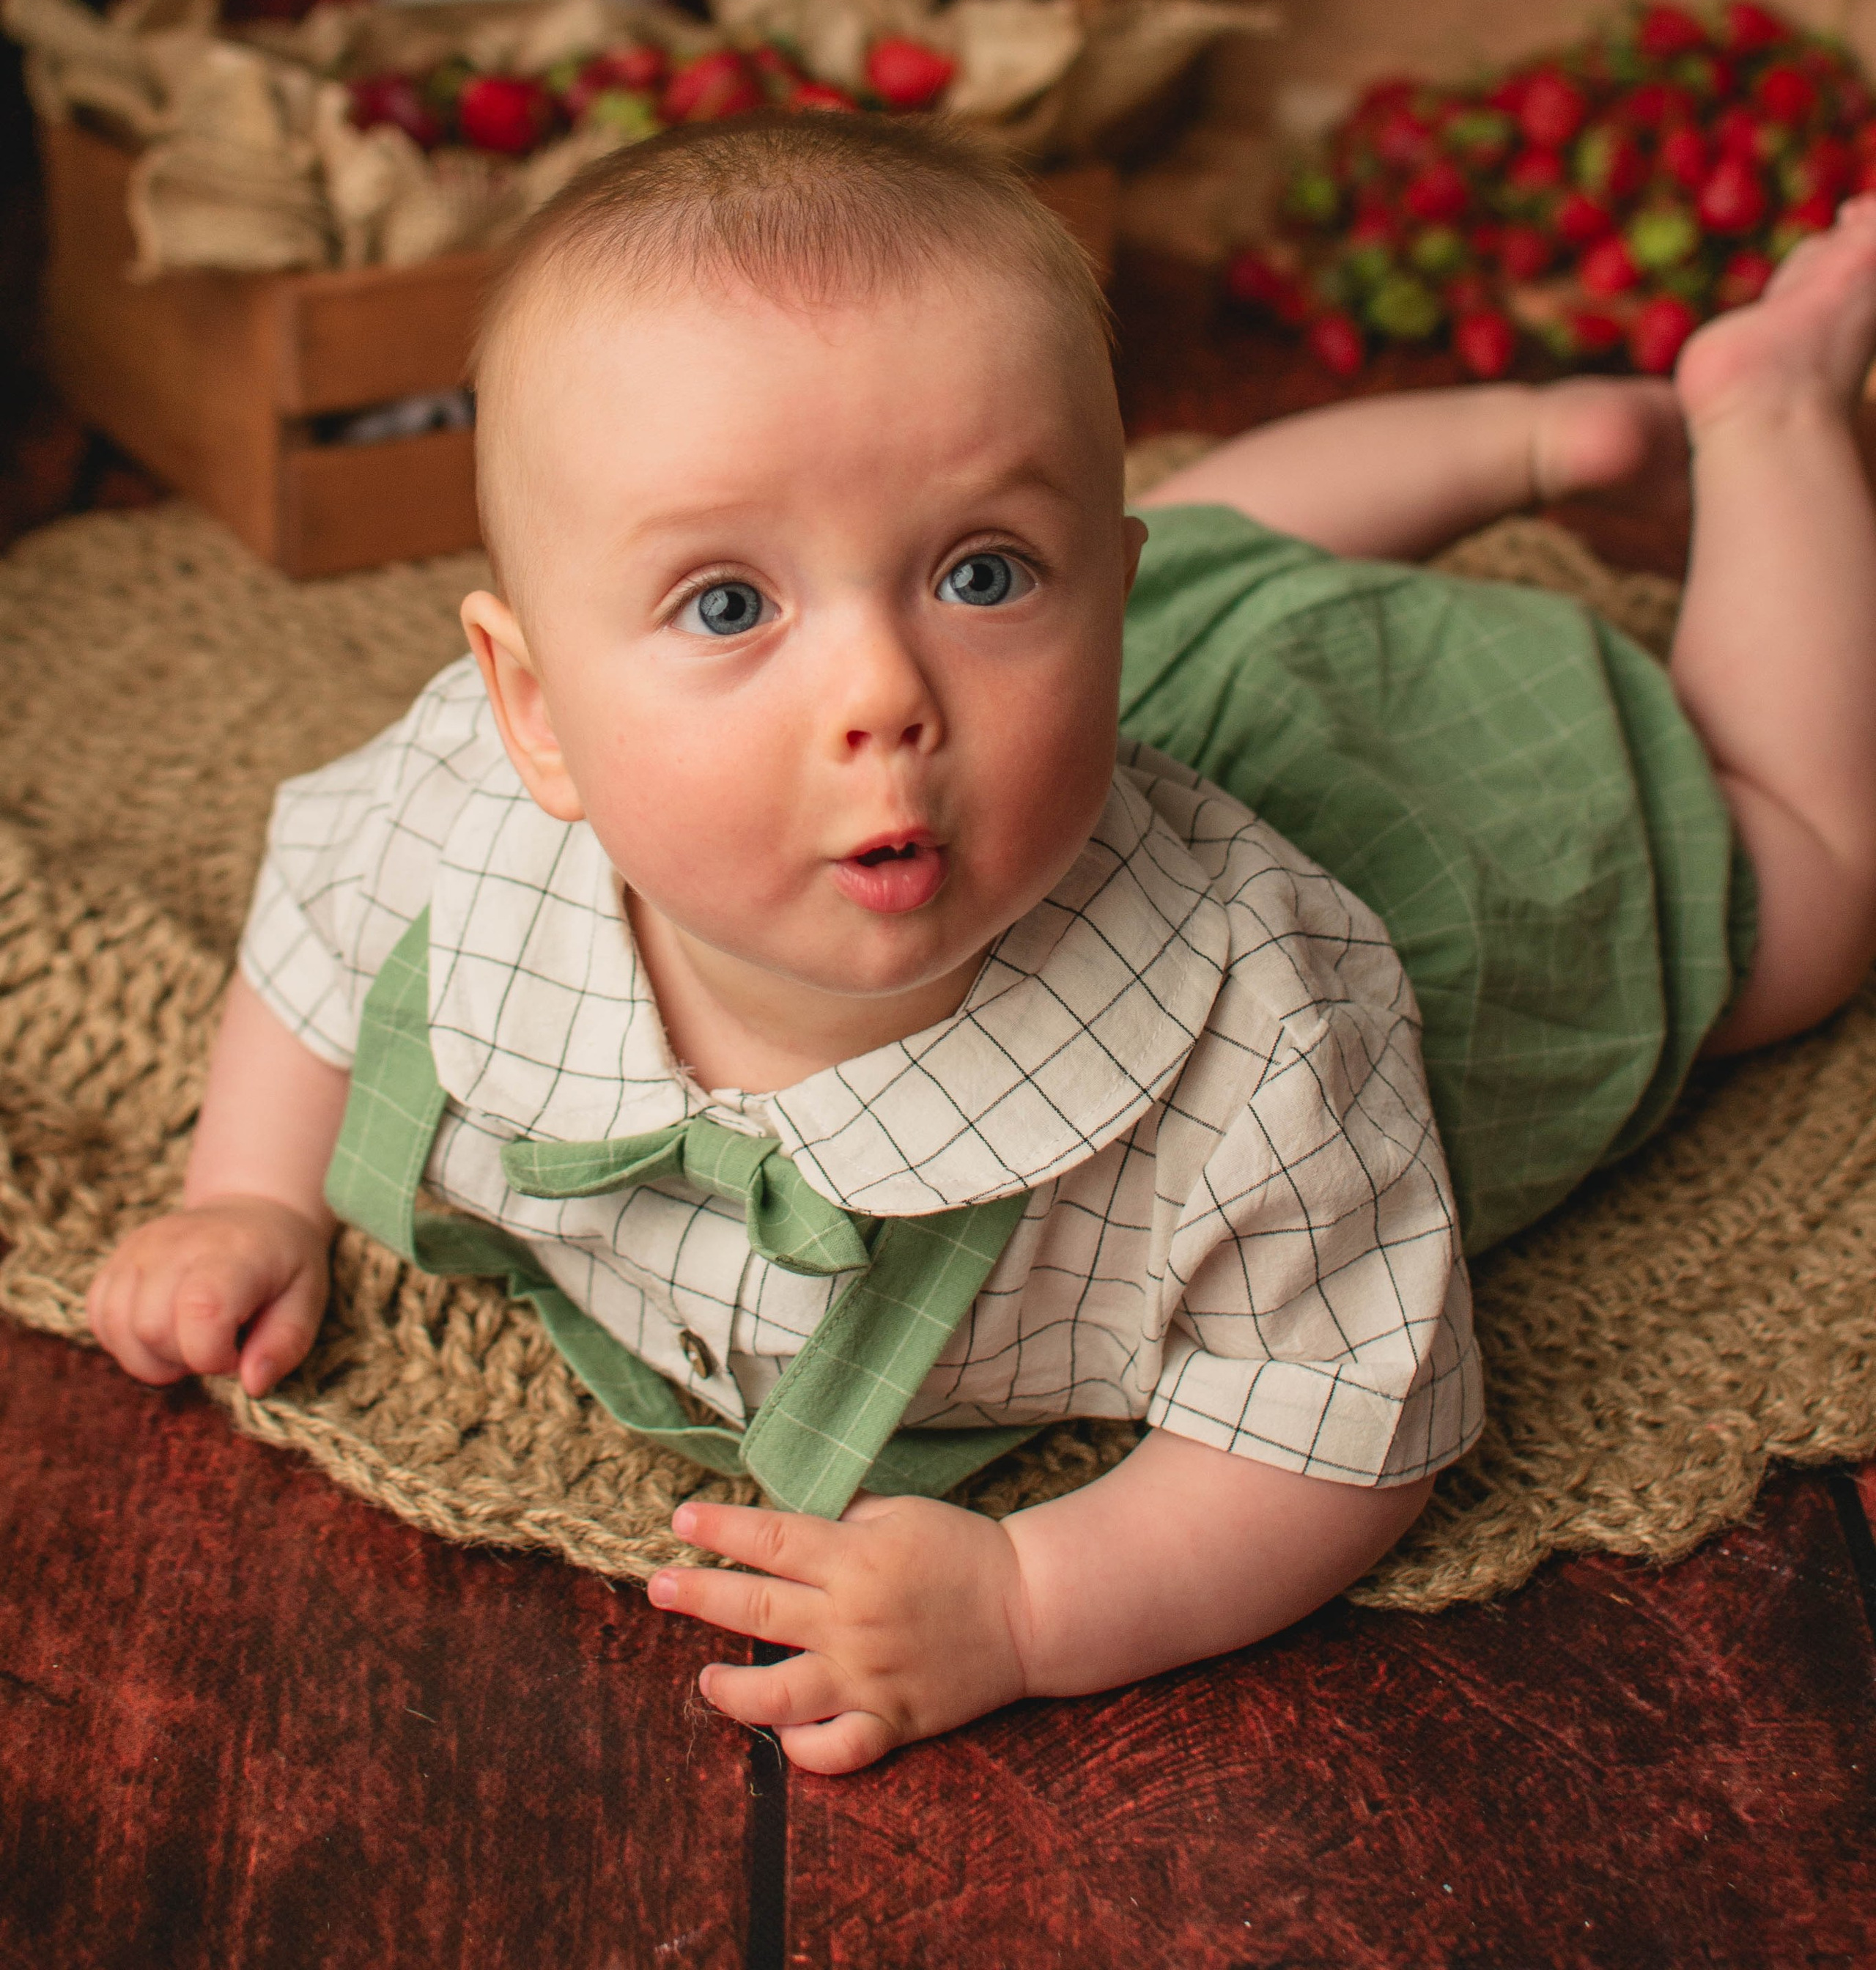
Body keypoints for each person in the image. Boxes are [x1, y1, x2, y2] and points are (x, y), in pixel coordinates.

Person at [84, 114, 1876, 1774]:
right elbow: (318, 917)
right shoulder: (466, 800)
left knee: (1794, 901)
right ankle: (1493, 439)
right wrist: (247, 1189)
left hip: (1436, 831)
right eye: (728, 603)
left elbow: (1335, 1428)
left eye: (984, 577)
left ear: (1086, 601)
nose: (880, 693)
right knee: (1182, 565)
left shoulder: (1267, 1027)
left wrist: (1031, 1604)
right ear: (533, 707)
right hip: (1143, 633)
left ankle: (1768, 408)